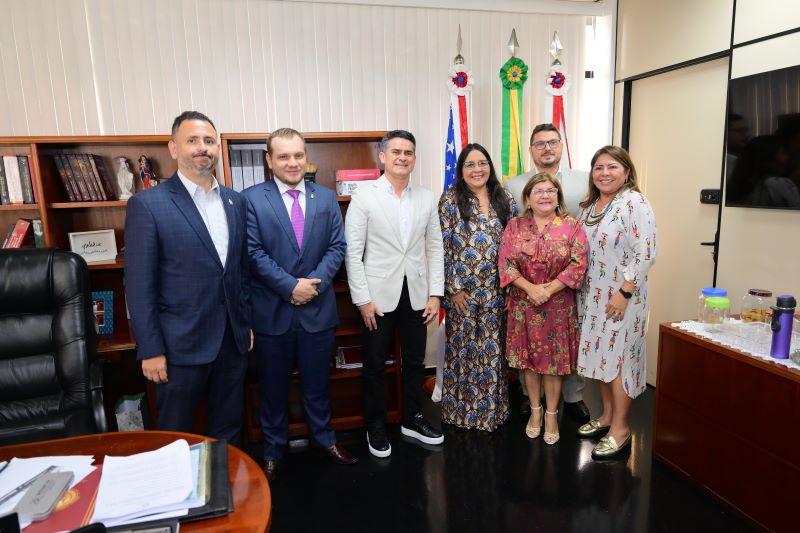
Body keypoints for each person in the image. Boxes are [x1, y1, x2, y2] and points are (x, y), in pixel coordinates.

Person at [125, 111, 251, 445]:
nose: (202, 148)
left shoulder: (236, 202)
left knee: (229, 429)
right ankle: (180, 499)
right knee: (174, 434)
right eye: (192, 140)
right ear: (174, 148)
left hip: (231, 342)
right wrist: (149, 349)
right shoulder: (147, 205)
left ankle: (223, 496)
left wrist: (245, 323)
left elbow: (240, 271)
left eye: (209, 141)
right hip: (178, 347)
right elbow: (139, 286)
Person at [242, 128, 357, 481]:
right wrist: (290, 287)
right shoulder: (250, 199)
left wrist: (312, 287)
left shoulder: (325, 198)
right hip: (272, 314)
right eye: (283, 156)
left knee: (318, 385)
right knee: (273, 389)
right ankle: (273, 450)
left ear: (306, 158)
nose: (292, 163)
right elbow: (252, 252)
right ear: (269, 160)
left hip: (317, 311)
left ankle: (325, 440)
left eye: (297, 155)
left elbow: (337, 248)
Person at [345, 130, 445, 457]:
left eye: (409, 152)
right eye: (397, 151)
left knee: (414, 361)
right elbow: (353, 252)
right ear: (383, 156)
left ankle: (411, 418)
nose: (403, 157)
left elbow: (435, 248)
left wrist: (435, 294)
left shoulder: (427, 198)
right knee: (375, 363)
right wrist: (362, 299)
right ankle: (375, 425)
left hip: (416, 293)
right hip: (377, 297)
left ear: (414, 158)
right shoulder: (364, 196)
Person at [504, 123, 592, 423]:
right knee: (528, 356)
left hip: (562, 293)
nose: (546, 148)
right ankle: (534, 406)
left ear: (561, 145)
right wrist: (530, 288)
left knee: (561, 354)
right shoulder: (513, 185)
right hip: (525, 296)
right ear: (530, 149)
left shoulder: (584, 181)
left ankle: (571, 399)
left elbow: (579, 259)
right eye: (539, 144)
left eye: (552, 142)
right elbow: (505, 257)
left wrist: (551, 288)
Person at [576, 145, 657, 459]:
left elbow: (646, 252)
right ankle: (607, 416)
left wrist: (624, 293)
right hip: (594, 296)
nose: (604, 173)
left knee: (620, 361)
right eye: (599, 168)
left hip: (623, 297)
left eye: (612, 167)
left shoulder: (634, 202)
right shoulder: (592, 205)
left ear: (626, 171)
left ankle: (621, 429)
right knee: (601, 359)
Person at [438, 143, 516, 431]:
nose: (477, 169)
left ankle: (491, 413)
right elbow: (442, 248)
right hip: (463, 293)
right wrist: (453, 289)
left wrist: (511, 287)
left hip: (497, 292)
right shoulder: (450, 200)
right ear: (461, 170)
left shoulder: (504, 198)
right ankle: (460, 413)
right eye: (470, 164)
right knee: (464, 353)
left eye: (482, 163)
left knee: (493, 354)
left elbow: (515, 245)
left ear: (490, 166)